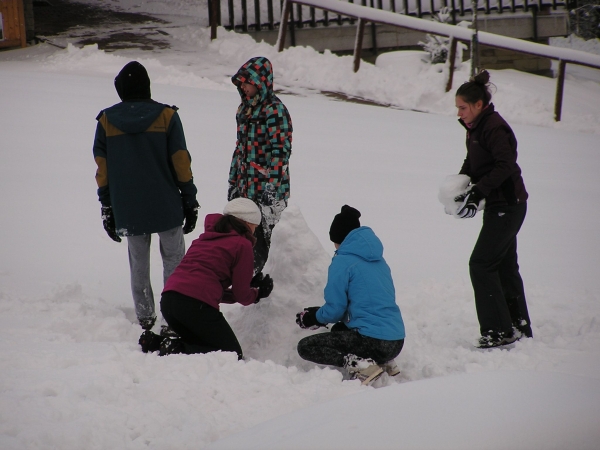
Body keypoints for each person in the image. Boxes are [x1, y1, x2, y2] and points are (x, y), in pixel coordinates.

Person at [93, 61, 199, 331]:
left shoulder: (106, 121)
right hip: (166, 205)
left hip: (129, 208)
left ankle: (145, 318)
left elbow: (102, 169)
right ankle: (174, 318)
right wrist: (189, 198)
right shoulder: (167, 117)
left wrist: (107, 206)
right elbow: (180, 162)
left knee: (138, 263)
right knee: (174, 261)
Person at [453, 69, 532, 349]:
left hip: (508, 206)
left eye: (463, 107)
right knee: (504, 266)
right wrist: (460, 185)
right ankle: (518, 324)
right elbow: (473, 162)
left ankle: (499, 331)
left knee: (481, 264)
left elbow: (504, 165)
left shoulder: (494, 127)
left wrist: (478, 191)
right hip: (502, 206)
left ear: (478, 105)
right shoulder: (478, 128)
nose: (459, 113)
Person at [138, 198, 275, 357]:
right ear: (247, 223)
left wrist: (248, 288)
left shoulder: (203, 239)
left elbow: (206, 288)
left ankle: (156, 343)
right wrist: (258, 294)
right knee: (230, 353)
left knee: (201, 342)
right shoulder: (242, 244)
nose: (254, 231)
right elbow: (242, 295)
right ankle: (175, 348)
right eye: (255, 227)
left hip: (169, 301)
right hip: (195, 308)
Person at [296, 205, 405, 386]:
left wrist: (313, 317)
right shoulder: (378, 260)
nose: (334, 246)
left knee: (306, 346)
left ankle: (360, 365)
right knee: (339, 330)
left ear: (340, 238)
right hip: (396, 340)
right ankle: (384, 361)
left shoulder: (343, 261)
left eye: (335, 241)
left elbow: (335, 310)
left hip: (373, 341)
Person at [228, 56, 293, 275]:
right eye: (240, 83)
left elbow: (280, 152)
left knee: (267, 240)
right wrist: (233, 181)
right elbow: (240, 150)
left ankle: (266, 286)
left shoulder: (275, 111)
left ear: (260, 83)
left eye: (246, 82)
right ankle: (247, 282)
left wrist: (271, 188)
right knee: (245, 240)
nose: (243, 87)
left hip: (267, 190)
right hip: (246, 188)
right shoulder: (244, 110)